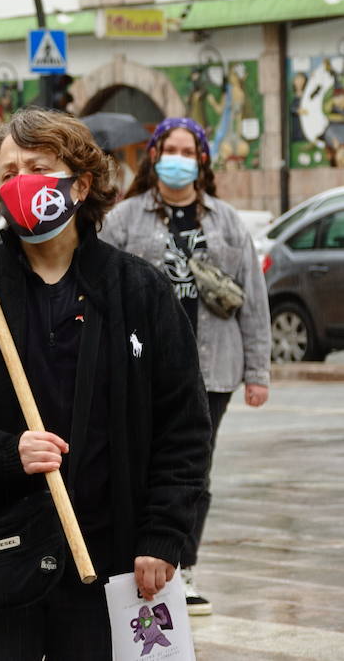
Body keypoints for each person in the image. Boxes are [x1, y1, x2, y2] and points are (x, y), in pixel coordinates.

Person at [0, 108, 210, 660]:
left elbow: (183, 428)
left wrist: (165, 535)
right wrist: (4, 449)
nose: (22, 180)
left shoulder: (139, 292)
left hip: (108, 562)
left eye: (39, 166)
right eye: (11, 170)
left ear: (81, 183)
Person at [102, 116, 270, 615]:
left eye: (187, 150)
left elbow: (253, 299)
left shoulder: (226, 220)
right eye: (169, 148)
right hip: (140, 366)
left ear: (201, 161)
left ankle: (182, 565)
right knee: (136, 464)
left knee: (192, 469)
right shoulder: (126, 218)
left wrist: (257, 372)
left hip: (212, 367)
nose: (178, 158)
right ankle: (134, 557)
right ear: (154, 157)